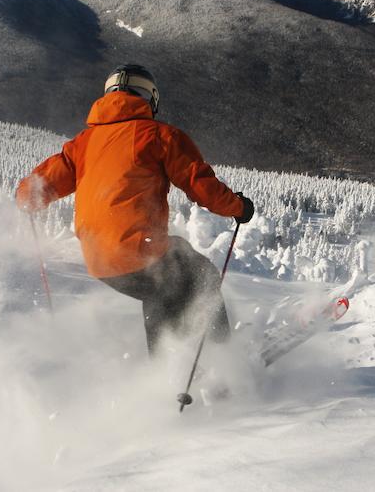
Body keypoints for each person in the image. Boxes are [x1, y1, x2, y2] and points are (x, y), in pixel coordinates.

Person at [16, 64, 254, 355]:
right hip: (139, 250)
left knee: (170, 273)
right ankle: (216, 357)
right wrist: (238, 207)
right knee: (197, 276)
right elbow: (199, 184)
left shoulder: (83, 144)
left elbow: (37, 187)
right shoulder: (158, 136)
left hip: (98, 259)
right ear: (149, 98)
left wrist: (26, 197)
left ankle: (177, 362)